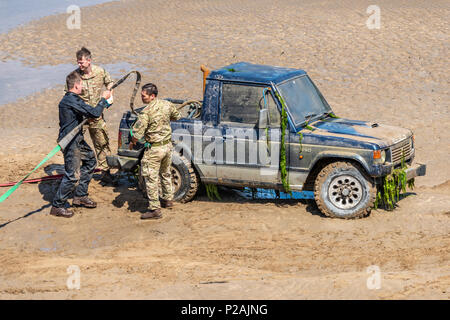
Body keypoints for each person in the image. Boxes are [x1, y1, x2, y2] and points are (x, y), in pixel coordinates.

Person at [51, 71, 112, 218]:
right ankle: (57, 206)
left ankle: (80, 196)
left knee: (90, 161)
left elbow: (88, 113)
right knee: (72, 175)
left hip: (77, 139)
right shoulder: (70, 100)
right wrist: (103, 100)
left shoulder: (73, 99)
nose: (83, 86)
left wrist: (87, 116)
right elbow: (95, 112)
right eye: (82, 84)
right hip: (70, 141)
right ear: (76, 85)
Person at [129, 83, 181, 220]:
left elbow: (137, 134)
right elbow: (177, 116)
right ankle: (168, 199)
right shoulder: (167, 104)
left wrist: (132, 142)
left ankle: (155, 209)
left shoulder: (146, 112)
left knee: (150, 178)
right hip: (167, 146)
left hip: (154, 149)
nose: (142, 98)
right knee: (165, 172)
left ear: (152, 96)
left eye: (144, 96)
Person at [68, 47, 114, 183]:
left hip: (97, 116)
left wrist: (110, 94)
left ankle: (106, 173)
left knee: (102, 143)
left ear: (89, 61)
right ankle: (78, 172)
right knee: (76, 145)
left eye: (81, 62)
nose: (79, 65)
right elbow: (68, 93)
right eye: (78, 62)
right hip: (80, 118)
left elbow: (109, 82)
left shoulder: (100, 72)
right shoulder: (75, 75)